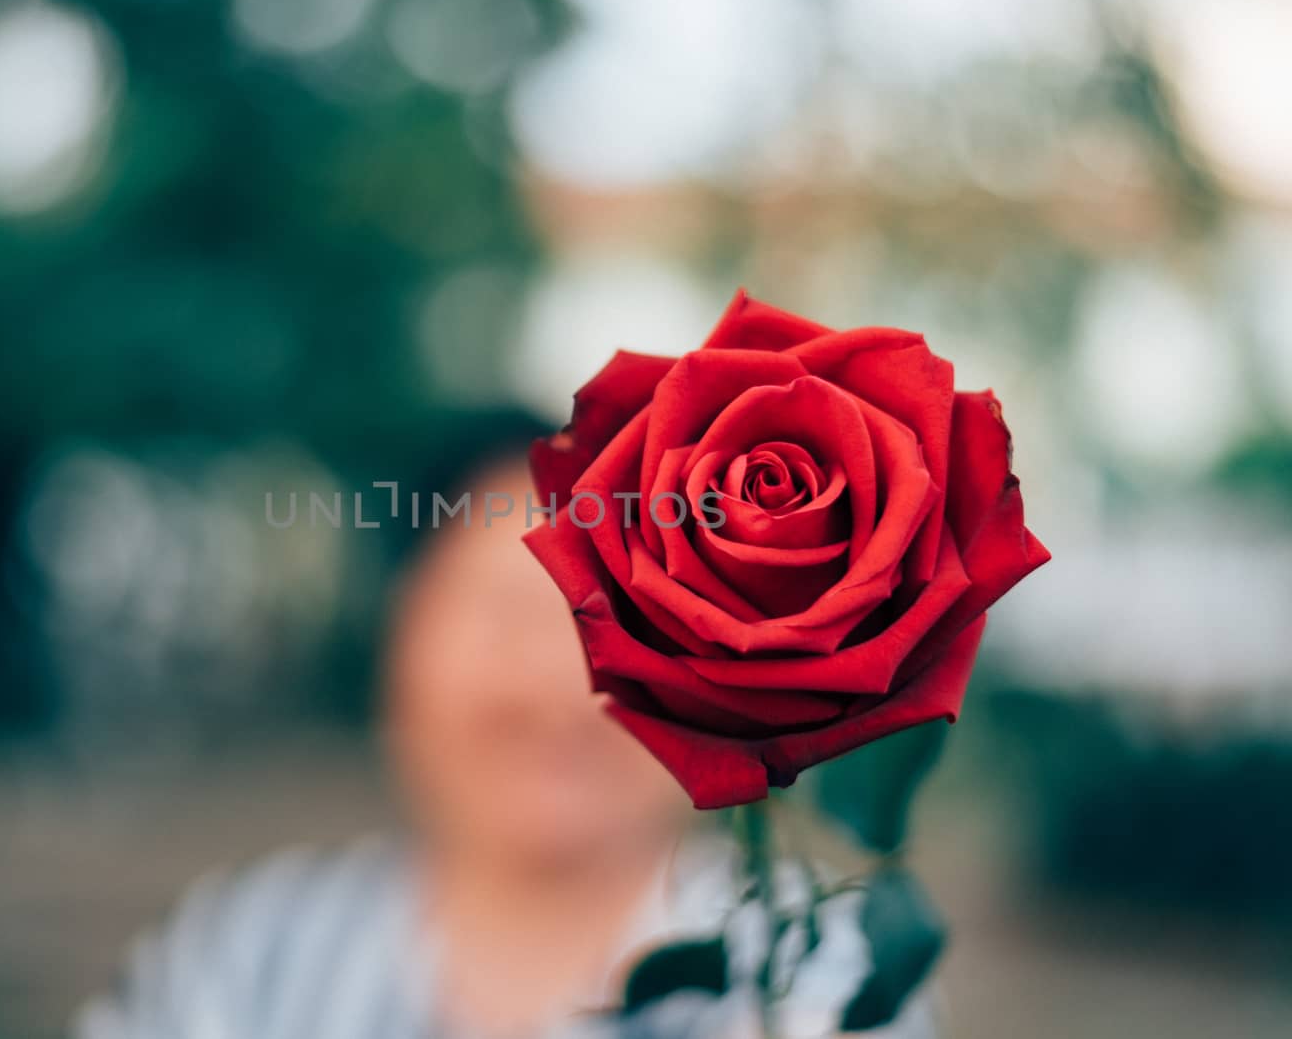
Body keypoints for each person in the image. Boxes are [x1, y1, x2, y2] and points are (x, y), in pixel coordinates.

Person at [74, 414, 935, 1039]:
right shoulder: (250, 950)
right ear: (395, 645)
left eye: (618, 626)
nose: (559, 685)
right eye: (505, 616)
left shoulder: (817, 979)